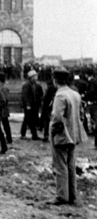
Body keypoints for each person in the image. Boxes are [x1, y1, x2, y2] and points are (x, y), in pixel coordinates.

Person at [47, 68, 88, 205]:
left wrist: (53, 132)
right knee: (70, 165)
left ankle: (62, 195)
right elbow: (81, 115)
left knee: (60, 166)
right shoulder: (75, 94)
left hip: (62, 135)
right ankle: (72, 194)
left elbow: (57, 117)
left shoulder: (60, 96)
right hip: (74, 134)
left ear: (55, 80)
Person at [20, 69, 42, 140]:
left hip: (34, 106)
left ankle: (34, 135)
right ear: (31, 77)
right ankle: (23, 134)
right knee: (26, 119)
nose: (36, 77)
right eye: (35, 76)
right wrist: (27, 105)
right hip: (29, 106)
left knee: (33, 120)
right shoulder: (26, 85)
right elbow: (25, 96)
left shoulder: (35, 84)